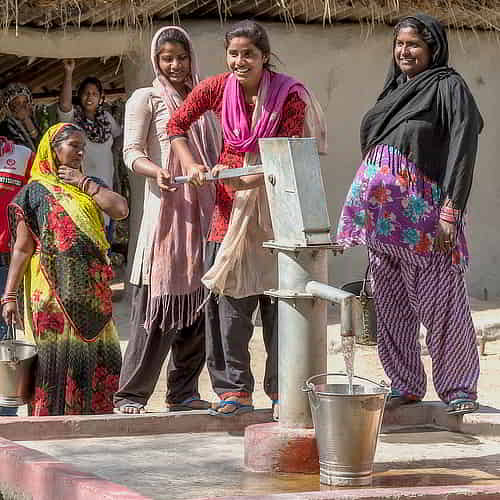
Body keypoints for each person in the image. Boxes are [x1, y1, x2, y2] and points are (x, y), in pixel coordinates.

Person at [169, 20, 326, 417]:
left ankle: (282, 390)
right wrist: (193, 164)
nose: (240, 61)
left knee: (279, 302)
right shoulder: (218, 88)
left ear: (264, 57)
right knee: (229, 305)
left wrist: (249, 177)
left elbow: (289, 151)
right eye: (234, 53)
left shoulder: (289, 96)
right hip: (228, 209)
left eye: (249, 54)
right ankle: (232, 390)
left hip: (278, 206)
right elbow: (176, 125)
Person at [336, 14, 483, 415]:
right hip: (384, 228)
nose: (404, 52)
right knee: (391, 308)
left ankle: (458, 389)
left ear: (432, 48)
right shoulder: (393, 94)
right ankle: (404, 383)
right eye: (400, 45)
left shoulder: (446, 87)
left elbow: (463, 144)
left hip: (426, 223)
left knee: (442, 305)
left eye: (414, 44)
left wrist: (451, 210)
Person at [113, 26, 220, 414]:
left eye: (181, 57)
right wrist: (153, 169)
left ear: (192, 57)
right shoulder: (147, 98)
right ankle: (131, 393)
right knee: (155, 309)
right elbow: (130, 152)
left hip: (207, 213)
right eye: (166, 58)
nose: (175, 65)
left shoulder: (207, 98)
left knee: (202, 305)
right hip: (166, 217)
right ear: (156, 61)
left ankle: (183, 392)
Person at [2, 123, 128, 416]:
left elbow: (121, 209)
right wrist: (8, 296)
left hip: (93, 293)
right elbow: (21, 248)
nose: (80, 151)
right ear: (53, 149)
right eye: (73, 145)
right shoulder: (33, 193)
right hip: (50, 294)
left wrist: (84, 183)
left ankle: (95, 418)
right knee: (52, 358)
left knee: (97, 354)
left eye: (82, 146)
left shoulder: (91, 185)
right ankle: (52, 420)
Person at [58, 62, 122, 234]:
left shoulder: (107, 119)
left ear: (101, 97)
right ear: (79, 96)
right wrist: (69, 72)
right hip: (80, 185)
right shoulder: (73, 119)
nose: (90, 97)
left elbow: (120, 135)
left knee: (104, 233)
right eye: (86, 93)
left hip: (105, 186)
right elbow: (64, 106)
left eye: (94, 93)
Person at [0, 136, 34, 417]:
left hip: (6, 261)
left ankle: (5, 415)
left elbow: (33, 204)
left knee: (5, 339)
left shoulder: (22, 156)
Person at [0, 82, 57, 152]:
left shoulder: (37, 119)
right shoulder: (5, 127)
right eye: (17, 103)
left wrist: (27, 121)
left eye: (25, 102)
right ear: (8, 107)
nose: (23, 107)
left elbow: (44, 147)